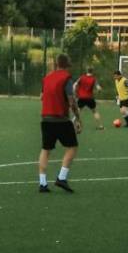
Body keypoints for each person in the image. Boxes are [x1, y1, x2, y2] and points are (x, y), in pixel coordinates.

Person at [37, 54, 80, 193]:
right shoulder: (66, 78)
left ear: (56, 64)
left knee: (45, 150)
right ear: (67, 64)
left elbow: (41, 96)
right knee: (72, 147)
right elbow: (71, 100)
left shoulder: (47, 78)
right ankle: (61, 177)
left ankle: (42, 184)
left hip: (46, 119)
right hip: (60, 119)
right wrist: (77, 118)